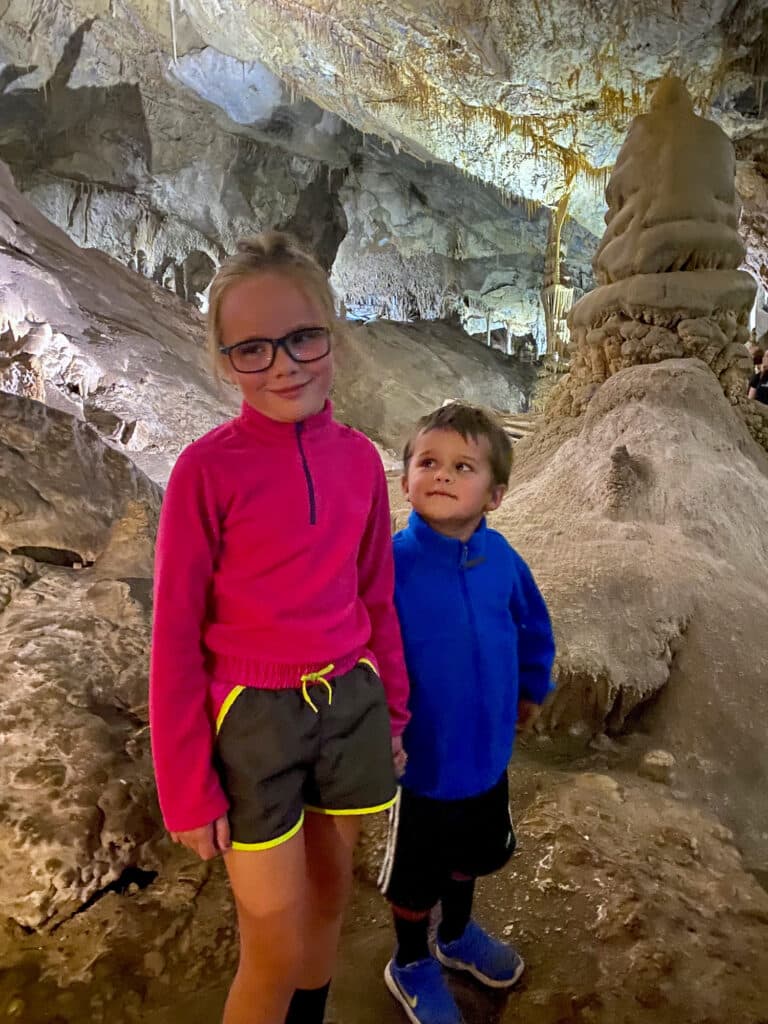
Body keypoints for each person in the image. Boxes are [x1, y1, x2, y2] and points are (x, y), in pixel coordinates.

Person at [149, 231, 410, 1024]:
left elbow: (376, 598)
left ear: (332, 333)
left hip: (348, 704)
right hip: (252, 721)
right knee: (270, 932)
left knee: (330, 901)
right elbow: (175, 638)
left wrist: (392, 711)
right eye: (252, 350)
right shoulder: (206, 470)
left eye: (302, 338)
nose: (284, 365)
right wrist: (187, 789)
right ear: (225, 361)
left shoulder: (361, 461)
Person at [379, 403, 555, 1024]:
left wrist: (534, 686)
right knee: (415, 876)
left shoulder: (502, 560)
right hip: (421, 765)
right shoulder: (387, 567)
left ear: (495, 494)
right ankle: (409, 961)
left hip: (486, 756)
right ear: (405, 479)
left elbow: (532, 625)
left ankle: (454, 936)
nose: (442, 475)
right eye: (428, 462)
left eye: (462, 466)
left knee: (469, 854)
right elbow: (363, 654)